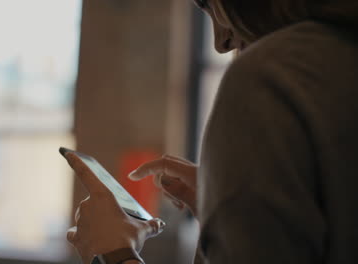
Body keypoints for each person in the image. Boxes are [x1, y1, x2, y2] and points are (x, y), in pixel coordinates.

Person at [63, 0, 358, 263]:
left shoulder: (271, 76)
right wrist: (234, 217)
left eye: (209, 4)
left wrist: (113, 253)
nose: (221, 41)